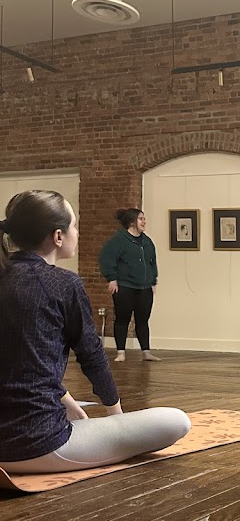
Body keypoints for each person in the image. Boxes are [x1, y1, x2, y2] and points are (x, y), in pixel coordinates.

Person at [0, 190, 190, 474]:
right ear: (58, 236)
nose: (77, 232)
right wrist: (117, 419)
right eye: (74, 225)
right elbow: (92, 356)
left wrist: (65, 398)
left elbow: (21, 357)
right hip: (37, 446)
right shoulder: (63, 283)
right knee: (176, 421)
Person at [98, 207, 160, 362]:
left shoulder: (147, 242)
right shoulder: (118, 241)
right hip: (125, 286)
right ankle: (121, 352)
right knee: (122, 319)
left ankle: (146, 352)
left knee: (143, 321)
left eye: (144, 219)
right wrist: (112, 278)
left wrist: (153, 280)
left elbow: (152, 262)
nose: (144, 222)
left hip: (144, 287)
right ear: (132, 222)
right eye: (141, 219)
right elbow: (106, 259)